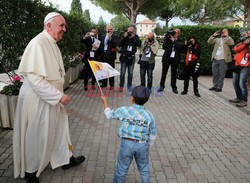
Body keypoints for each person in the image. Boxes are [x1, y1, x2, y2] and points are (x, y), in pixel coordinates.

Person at [13, 12, 85, 183]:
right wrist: (58, 96)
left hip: (51, 98)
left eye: (64, 26)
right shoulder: (37, 43)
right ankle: (31, 172)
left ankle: (66, 159)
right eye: (62, 26)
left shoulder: (51, 42)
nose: (64, 30)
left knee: (60, 129)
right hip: (38, 100)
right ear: (49, 25)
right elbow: (35, 80)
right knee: (37, 135)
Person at [100, 86, 157, 183]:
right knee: (144, 169)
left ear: (132, 98)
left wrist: (104, 101)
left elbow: (109, 114)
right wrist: (149, 144)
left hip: (127, 144)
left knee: (121, 168)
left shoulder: (124, 110)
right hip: (143, 145)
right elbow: (153, 134)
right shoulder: (150, 115)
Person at [157, 29, 185, 93]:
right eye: (174, 32)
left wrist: (174, 41)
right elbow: (164, 47)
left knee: (174, 74)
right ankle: (161, 86)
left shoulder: (180, 40)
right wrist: (167, 38)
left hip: (175, 59)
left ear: (179, 34)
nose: (174, 34)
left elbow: (181, 48)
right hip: (166, 58)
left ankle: (174, 87)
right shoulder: (168, 39)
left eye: (176, 33)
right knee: (164, 73)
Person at [229, 31, 250, 107]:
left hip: (246, 67)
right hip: (237, 65)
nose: (246, 34)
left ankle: (244, 100)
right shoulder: (242, 43)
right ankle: (238, 98)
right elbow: (236, 49)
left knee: (242, 83)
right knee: (235, 83)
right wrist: (245, 43)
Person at [119, 26, 141, 92]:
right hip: (124, 57)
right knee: (122, 73)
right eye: (129, 32)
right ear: (127, 31)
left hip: (131, 57)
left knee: (130, 73)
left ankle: (129, 86)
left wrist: (133, 37)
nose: (130, 33)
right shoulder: (124, 35)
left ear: (133, 32)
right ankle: (121, 86)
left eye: (131, 32)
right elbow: (119, 44)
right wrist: (124, 37)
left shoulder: (135, 36)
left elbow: (139, 44)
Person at [99, 24, 119, 90]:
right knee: (104, 70)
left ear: (112, 30)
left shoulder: (114, 37)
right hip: (103, 55)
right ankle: (104, 84)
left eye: (110, 29)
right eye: (108, 29)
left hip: (110, 56)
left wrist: (110, 38)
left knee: (110, 71)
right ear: (106, 29)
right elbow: (100, 46)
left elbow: (115, 44)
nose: (109, 30)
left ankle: (111, 85)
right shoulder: (102, 36)